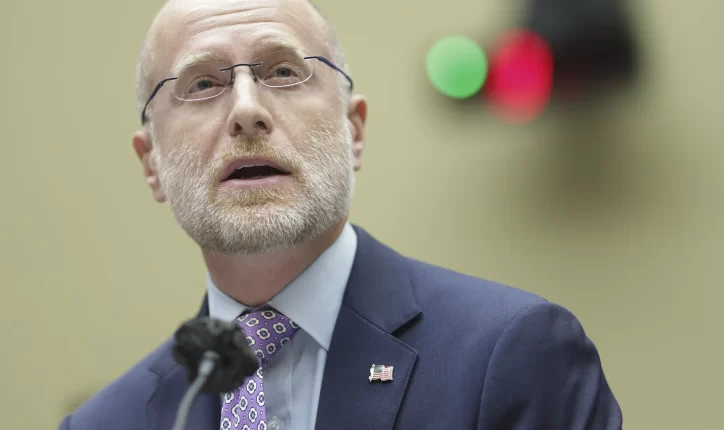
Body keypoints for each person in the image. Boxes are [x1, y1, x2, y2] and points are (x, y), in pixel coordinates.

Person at [59, 0, 623, 428]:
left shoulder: (510, 353)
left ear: (353, 131)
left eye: (284, 72)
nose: (247, 110)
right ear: (151, 163)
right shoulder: (105, 423)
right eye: (203, 83)